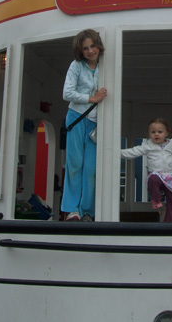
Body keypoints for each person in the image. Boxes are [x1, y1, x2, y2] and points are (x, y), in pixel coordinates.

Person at [61, 29, 107, 222]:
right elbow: (67, 93)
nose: (90, 51)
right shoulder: (76, 66)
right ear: (81, 51)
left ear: (98, 45)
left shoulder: (106, 64)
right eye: (85, 48)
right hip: (76, 118)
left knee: (91, 169)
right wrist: (92, 98)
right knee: (74, 165)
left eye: (93, 46)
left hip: (97, 121)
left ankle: (87, 211)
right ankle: (72, 210)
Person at [121, 118, 172, 222]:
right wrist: (116, 152)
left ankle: (171, 224)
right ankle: (156, 199)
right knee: (153, 178)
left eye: (160, 132)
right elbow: (133, 152)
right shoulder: (147, 146)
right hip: (158, 176)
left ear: (166, 133)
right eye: (153, 132)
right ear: (149, 134)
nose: (156, 134)